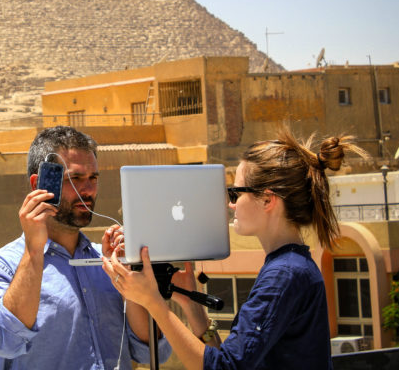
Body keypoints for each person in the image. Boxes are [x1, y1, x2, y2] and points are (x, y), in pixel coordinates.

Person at [103, 129, 367, 369]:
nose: (231, 204)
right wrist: (192, 305)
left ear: (267, 199)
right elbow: (231, 360)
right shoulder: (289, 267)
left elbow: (225, 368)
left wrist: (154, 303)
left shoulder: (285, 274)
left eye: (236, 193)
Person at [0, 126, 166, 369]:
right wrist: (34, 251)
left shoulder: (107, 261)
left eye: (93, 178)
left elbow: (152, 352)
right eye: (74, 179)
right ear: (39, 184)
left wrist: (127, 277)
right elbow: (4, 342)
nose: (88, 191)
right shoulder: (0, 267)